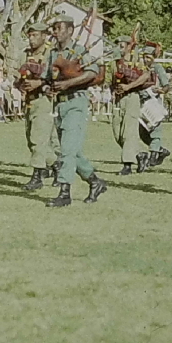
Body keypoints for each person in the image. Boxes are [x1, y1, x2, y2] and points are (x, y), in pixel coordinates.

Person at [44, 14, 107, 207]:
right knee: (72, 151)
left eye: (59, 28)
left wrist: (69, 83)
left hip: (76, 102)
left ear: (70, 30)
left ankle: (64, 192)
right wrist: (47, 87)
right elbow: (48, 78)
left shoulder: (79, 51)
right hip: (59, 105)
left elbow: (93, 72)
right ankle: (95, 182)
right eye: (54, 28)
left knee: (67, 151)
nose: (56, 32)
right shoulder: (53, 54)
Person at [16, 22, 61, 190]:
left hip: (44, 100)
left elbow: (55, 77)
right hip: (29, 101)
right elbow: (18, 75)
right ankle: (57, 165)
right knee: (31, 140)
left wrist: (40, 84)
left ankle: (37, 176)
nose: (31, 39)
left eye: (35, 35)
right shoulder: (25, 55)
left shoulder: (51, 54)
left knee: (38, 139)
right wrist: (20, 84)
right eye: (30, 35)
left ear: (44, 36)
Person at [111, 35, 152, 176]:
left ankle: (127, 165)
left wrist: (129, 86)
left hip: (132, 97)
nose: (119, 48)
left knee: (129, 131)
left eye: (122, 45)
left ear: (129, 46)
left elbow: (146, 75)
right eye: (118, 45)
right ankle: (140, 154)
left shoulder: (136, 61)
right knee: (117, 133)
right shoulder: (115, 62)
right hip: (118, 98)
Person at [141, 46, 172, 167]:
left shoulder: (158, 69)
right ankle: (160, 150)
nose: (145, 59)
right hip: (141, 102)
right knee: (142, 132)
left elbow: (166, 85)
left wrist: (159, 90)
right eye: (144, 57)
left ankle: (153, 156)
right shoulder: (140, 68)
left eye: (148, 57)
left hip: (154, 102)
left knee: (155, 131)